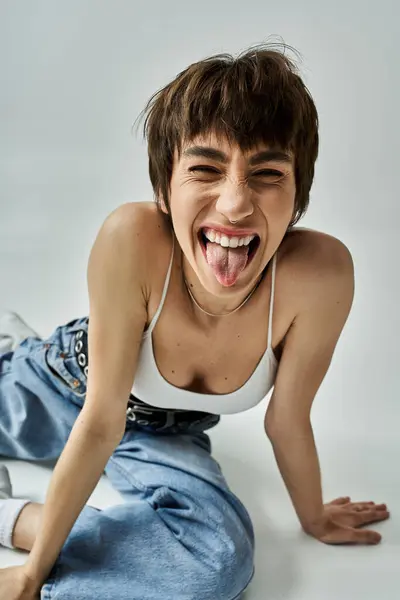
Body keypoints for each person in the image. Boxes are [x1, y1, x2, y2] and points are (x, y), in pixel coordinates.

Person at [0, 42, 390, 600]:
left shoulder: (321, 277)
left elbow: (287, 419)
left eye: (267, 173)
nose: (234, 204)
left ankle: (13, 516)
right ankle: (12, 347)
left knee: (218, 563)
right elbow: (100, 419)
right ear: (164, 189)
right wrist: (32, 575)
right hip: (60, 387)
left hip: (167, 435)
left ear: (298, 194)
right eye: (205, 168)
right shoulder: (131, 237)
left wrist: (313, 519)